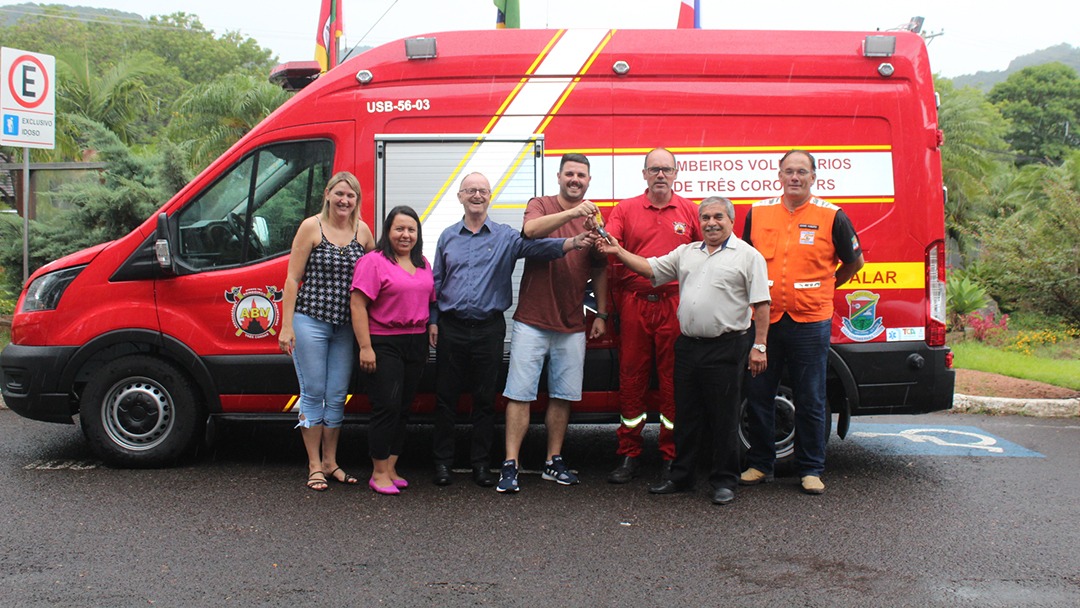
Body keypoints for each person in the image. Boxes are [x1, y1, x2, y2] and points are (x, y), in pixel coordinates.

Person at [598, 196, 770, 505]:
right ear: (698, 222)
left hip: (727, 346)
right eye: (705, 218)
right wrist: (619, 252)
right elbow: (650, 269)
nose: (711, 223)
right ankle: (681, 477)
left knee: (723, 418)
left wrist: (759, 346)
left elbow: (762, 303)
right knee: (686, 416)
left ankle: (723, 481)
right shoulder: (687, 253)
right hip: (689, 346)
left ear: (731, 220)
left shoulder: (748, 255)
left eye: (718, 217)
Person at [429, 173, 596, 487]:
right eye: (471, 191)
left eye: (483, 191)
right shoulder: (447, 237)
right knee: (445, 399)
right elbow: (436, 282)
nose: (477, 196)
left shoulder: (505, 236)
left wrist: (571, 243)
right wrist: (433, 320)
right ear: (460, 197)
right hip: (451, 328)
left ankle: (481, 465)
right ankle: (442, 464)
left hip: (489, 328)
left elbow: (538, 248)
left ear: (489, 197)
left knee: (484, 400)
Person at [740, 150, 865, 495]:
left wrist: (829, 287)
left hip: (811, 321)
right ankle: (760, 464)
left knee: (811, 396)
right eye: (789, 171)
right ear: (778, 175)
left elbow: (855, 262)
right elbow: (746, 261)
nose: (794, 177)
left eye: (802, 172)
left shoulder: (833, 216)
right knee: (759, 392)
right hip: (765, 320)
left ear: (814, 177)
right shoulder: (758, 212)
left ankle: (811, 469)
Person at [497, 153, 609, 493]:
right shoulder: (541, 205)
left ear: (589, 180)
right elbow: (530, 232)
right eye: (570, 174)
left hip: (572, 322)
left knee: (562, 396)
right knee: (519, 394)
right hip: (532, 319)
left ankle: (553, 461)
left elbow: (600, 267)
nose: (575, 180)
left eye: (582, 175)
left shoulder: (595, 217)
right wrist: (575, 213)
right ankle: (511, 463)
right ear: (559, 177)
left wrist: (602, 313)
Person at [603, 148, 702, 484]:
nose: (661, 174)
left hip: (675, 303)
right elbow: (608, 243)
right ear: (644, 174)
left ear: (676, 173)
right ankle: (629, 453)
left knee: (674, 382)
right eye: (654, 169)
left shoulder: (690, 210)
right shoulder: (626, 209)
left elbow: (708, 256)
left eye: (666, 169)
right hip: (634, 302)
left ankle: (670, 455)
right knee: (631, 379)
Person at [279, 171, 376, 492]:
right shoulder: (311, 227)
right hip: (311, 321)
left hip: (345, 327)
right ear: (327, 195)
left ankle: (331, 462)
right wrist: (286, 325)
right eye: (340, 194)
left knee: (336, 396)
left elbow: (376, 275)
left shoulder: (363, 231)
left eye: (350, 196)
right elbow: (292, 279)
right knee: (313, 393)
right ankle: (313, 465)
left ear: (356, 200)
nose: (344, 200)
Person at [351, 206, 435, 495]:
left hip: (416, 342)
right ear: (387, 231)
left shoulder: (422, 262)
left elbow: (431, 300)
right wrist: (365, 347)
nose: (405, 235)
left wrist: (432, 326)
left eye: (411, 229)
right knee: (386, 406)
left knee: (403, 407)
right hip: (383, 342)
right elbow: (358, 304)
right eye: (399, 229)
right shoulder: (373, 262)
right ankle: (378, 472)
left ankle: (391, 467)